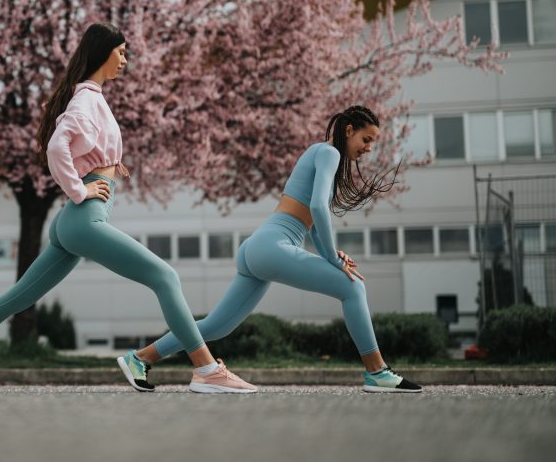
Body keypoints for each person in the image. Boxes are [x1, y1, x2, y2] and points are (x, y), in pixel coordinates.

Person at [0, 22, 254, 394]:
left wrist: (96, 177)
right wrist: (79, 191)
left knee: (18, 298)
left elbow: (76, 147)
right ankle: (206, 370)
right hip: (83, 219)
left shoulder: (92, 96)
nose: (125, 59)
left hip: (75, 221)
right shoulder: (86, 100)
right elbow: (56, 148)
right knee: (165, 277)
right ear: (102, 52)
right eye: (121, 52)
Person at [120, 106, 423, 394]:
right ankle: (377, 372)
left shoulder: (318, 153)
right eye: (366, 139)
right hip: (272, 245)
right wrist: (331, 259)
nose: (368, 148)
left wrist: (332, 254)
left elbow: (314, 225)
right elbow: (317, 207)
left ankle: (140, 358)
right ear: (348, 130)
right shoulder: (329, 151)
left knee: (216, 325)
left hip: (259, 246)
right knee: (353, 287)